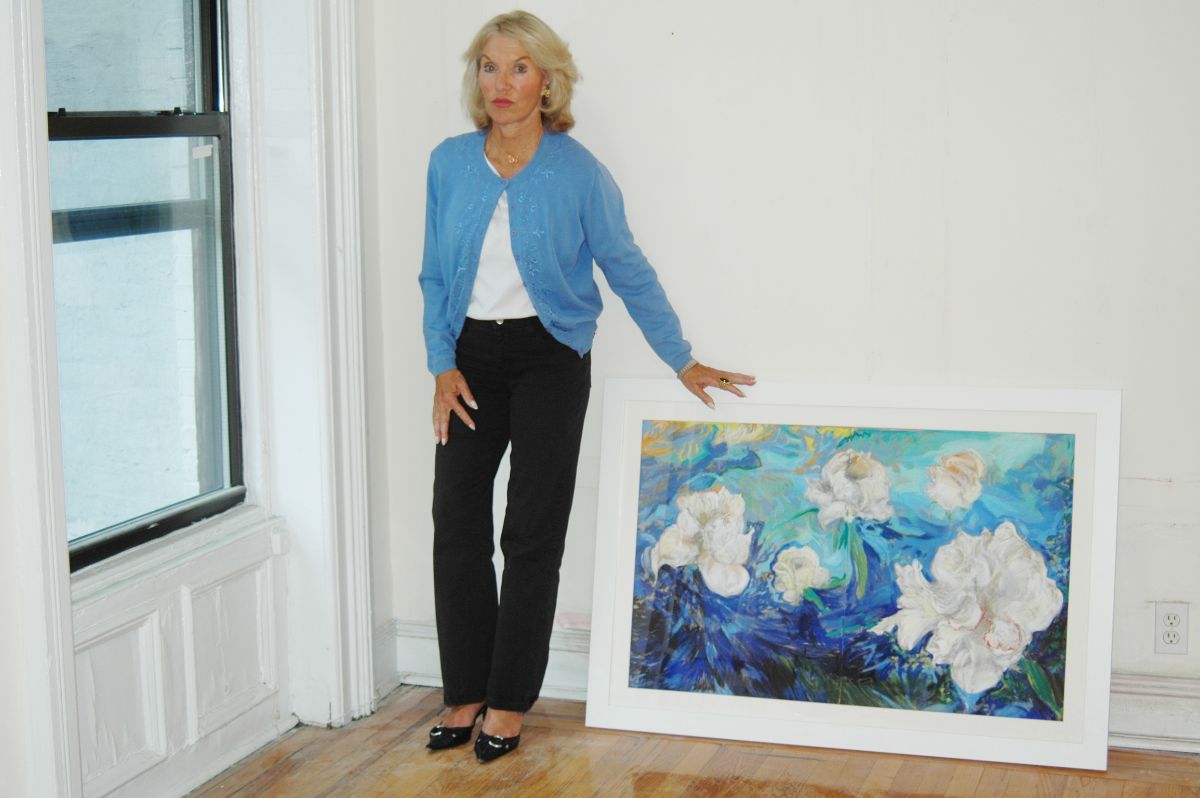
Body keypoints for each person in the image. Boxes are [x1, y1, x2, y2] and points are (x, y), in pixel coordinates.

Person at [418, 10, 755, 763]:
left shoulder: (577, 172)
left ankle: (508, 702)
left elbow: (624, 265)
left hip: (550, 357)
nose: (501, 83)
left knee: (531, 532)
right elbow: (435, 275)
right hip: (467, 359)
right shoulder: (448, 163)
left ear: (547, 82)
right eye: (489, 66)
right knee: (457, 523)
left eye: (519, 68)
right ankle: (464, 691)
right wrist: (442, 363)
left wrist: (681, 358)